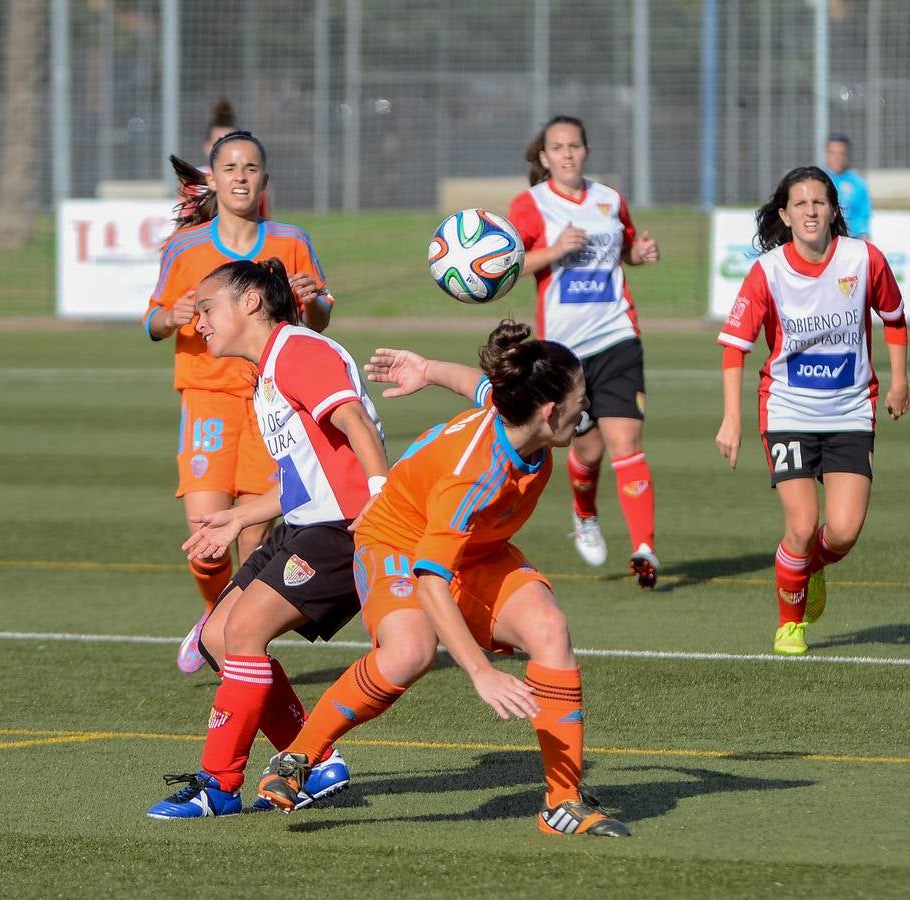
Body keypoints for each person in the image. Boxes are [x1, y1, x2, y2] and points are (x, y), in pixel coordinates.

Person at [253, 321, 631, 838]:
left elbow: (476, 383)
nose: (585, 413)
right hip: (398, 545)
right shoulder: (477, 474)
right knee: (410, 651)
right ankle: (299, 756)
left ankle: (562, 803)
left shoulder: (513, 408)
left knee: (549, 629)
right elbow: (432, 581)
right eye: (580, 401)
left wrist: (426, 369)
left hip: (474, 550)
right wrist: (480, 673)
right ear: (550, 413)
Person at [147, 258, 389, 818]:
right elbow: (306, 478)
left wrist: (379, 494)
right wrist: (239, 517)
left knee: (247, 630)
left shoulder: (300, 351)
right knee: (217, 638)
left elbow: (355, 421)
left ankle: (218, 786)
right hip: (306, 522)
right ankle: (315, 760)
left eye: (207, 309)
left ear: (252, 301)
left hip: (344, 527)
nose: (199, 323)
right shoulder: (268, 372)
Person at [144, 129, 334, 674]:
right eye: (230, 167)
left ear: (265, 181)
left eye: (251, 167)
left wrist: (312, 299)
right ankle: (213, 618)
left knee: (254, 537)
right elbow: (153, 323)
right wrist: (172, 316)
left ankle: (237, 639)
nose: (241, 176)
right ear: (213, 178)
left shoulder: (291, 240)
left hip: (269, 401)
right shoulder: (185, 248)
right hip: (206, 399)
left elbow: (318, 320)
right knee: (205, 536)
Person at [714, 165, 910, 656]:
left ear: (832, 211)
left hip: (850, 412)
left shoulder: (864, 259)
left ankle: (811, 566)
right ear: (784, 213)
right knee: (801, 525)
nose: (810, 211)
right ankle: (790, 623)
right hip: (786, 412)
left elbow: (893, 317)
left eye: (819, 202)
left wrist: (900, 380)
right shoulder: (767, 272)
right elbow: (734, 349)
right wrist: (732, 419)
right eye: (800, 203)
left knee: (842, 533)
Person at [507, 115, 663, 589]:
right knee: (588, 450)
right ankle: (584, 512)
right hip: (565, 350)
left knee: (625, 443)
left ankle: (644, 547)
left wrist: (643, 253)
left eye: (575, 145)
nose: (568, 154)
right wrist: (553, 251)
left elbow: (627, 248)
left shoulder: (609, 199)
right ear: (544, 157)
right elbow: (507, 265)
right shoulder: (530, 206)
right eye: (558, 147)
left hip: (617, 336)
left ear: (586, 152)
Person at [176, 98, 270, 221]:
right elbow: (186, 224)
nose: (226, 152)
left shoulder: (252, 181)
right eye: (218, 144)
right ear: (207, 146)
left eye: (231, 144)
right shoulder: (192, 182)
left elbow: (264, 222)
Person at [823, 133, 872, 239]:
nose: (837, 158)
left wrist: (863, 234)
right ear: (826, 154)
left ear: (847, 155)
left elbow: (864, 214)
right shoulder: (818, 179)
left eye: (841, 153)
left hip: (851, 239)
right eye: (833, 153)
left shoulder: (858, 183)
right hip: (824, 239)